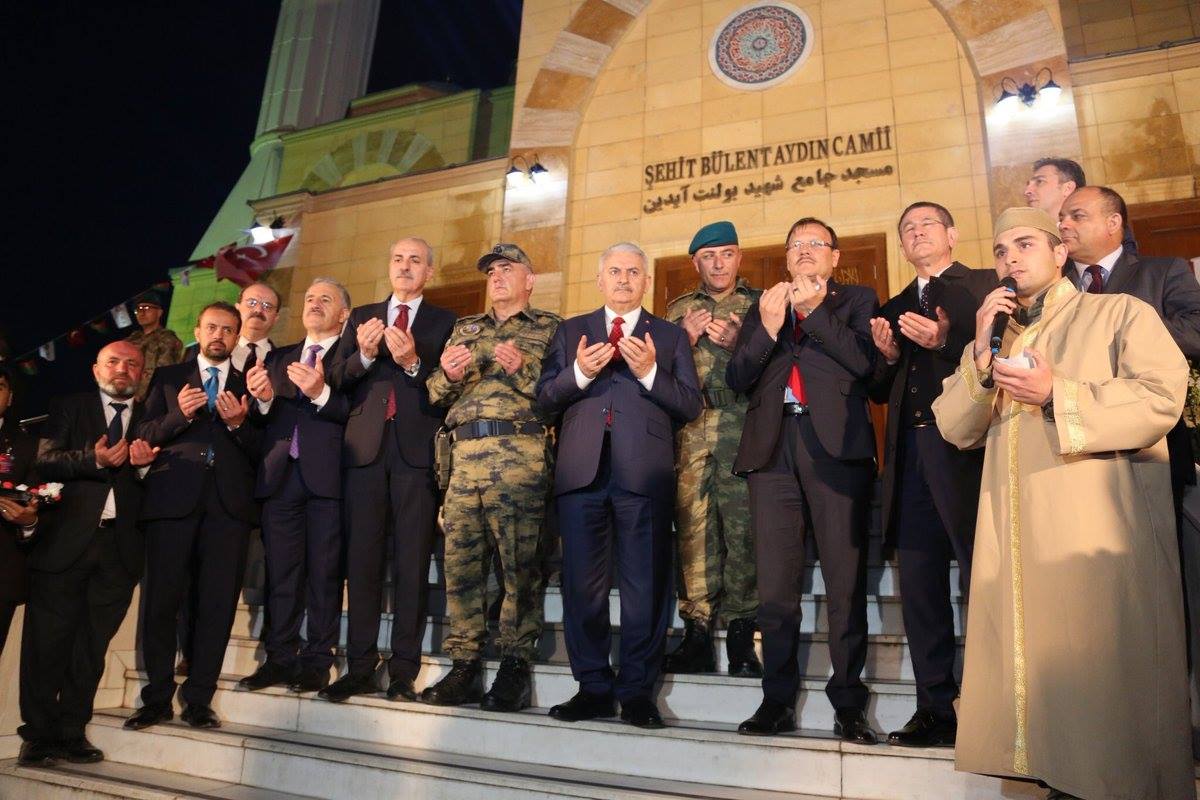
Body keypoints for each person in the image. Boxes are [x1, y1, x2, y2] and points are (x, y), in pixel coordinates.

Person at [933, 206, 1194, 800]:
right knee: (1036, 682)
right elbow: (954, 426)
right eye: (1001, 250)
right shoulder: (999, 339)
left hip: (1091, 529)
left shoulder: (1117, 312)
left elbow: (1161, 397)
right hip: (1017, 537)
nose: (1010, 258)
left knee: (1104, 687)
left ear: (1059, 252)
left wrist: (1058, 394)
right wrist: (980, 352)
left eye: (1025, 244)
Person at [726, 217, 880, 743]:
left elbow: (864, 363)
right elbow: (738, 377)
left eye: (816, 243)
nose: (805, 249)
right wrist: (769, 328)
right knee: (776, 586)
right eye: (796, 244)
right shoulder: (765, 305)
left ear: (835, 257)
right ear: (786, 257)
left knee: (844, 582)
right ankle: (776, 700)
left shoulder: (856, 300)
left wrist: (813, 312)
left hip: (834, 448)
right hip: (772, 451)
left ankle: (849, 702)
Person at [536, 241, 701, 729]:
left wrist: (649, 372)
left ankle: (636, 692)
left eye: (633, 271)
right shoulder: (571, 331)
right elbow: (543, 400)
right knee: (581, 588)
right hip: (581, 473)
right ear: (599, 279)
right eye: (615, 271)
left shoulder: (669, 336)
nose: (624, 279)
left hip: (643, 474)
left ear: (646, 281)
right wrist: (579, 373)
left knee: (644, 588)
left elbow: (690, 405)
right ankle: (592, 687)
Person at [867, 202, 995, 747]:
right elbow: (878, 390)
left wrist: (944, 344)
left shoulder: (984, 286)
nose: (916, 233)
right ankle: (935, 706)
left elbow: (1001, 356)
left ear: (952, 234)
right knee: (920, 585)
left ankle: (992, 705)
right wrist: (887, 356)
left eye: (926, 225)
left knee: (982, 577)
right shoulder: (894, 305)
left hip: (967, 450)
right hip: (910, 453)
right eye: (907, 229)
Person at [420, 244, 561, 712]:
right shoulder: (466, 329)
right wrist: (446, 374)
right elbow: (434, 394)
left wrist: (523, 369)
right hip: (463, 460)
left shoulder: (550, 328)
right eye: (492, 271)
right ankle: (464, 665)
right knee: (461, 568)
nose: (497, 276)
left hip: (519, 457)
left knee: (520, 566)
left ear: (529, 280)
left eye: (507, 269)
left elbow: (559, 393)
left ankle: (515, 665)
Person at [322, 237, 456, 703]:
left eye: (415, 260)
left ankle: (402, 670)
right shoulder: (363, 316)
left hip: (416, 455)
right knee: (362, 561)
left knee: (412, 564)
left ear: (429, 272)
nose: (405, 266)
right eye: (398, 258)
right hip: (365, 453)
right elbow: (335, 378)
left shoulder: (446, 321)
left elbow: (450, 387)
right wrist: (362, 354)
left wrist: (413, 363)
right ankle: (359, 666)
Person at [18, 342, 158, 767]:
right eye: (113, 362)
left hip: (120, 551)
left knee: (91, 648)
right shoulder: (70, 406)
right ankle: (38, 736)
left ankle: (72, 731)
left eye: (132, 364)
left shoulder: (152, 416)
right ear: (96, 368)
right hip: (65, 545)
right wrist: (92, 459)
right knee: (46, 644)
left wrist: (144, 467)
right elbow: (46, 460)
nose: (122, 369)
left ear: (142, 373)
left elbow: (164, 484)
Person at [126, 302, 261, 731]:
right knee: (161, 601)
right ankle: (156, 697)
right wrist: (178, 415)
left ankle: (200, 698)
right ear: (198, 332)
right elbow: (142, 435)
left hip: (228, 508)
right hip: (171, 502)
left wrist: (239, 424)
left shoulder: (251, 382)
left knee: (217, 605)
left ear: (237, 337)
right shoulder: (168, 378)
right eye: (211, 328)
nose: (219, 335)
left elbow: (265, 449)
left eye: (228, 329)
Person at [237, 278, 351, 694]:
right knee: (281, 573)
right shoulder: (278, 357)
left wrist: (320, 392)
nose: (314, 304)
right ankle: (279, 657)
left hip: (329, 478)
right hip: (281, 478)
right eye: (310, 298)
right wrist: (263, 399)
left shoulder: (354, 357)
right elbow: (262, 419)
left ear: (343, 314)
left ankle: (318, 659)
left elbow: (355, 413)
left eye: (326, 299)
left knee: (324, 573)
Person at [1058, 185, 1200, 512]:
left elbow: (1196, 331)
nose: (1064, 225)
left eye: (1077, 216)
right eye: (1062, 218)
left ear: (1113, 223)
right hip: (1074, 446)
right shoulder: (1057, 287)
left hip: (1151, 445)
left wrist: (1130, 325)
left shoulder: (1162, 271)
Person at [662, 220, 761, 676]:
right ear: (695, 263)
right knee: (693, 530)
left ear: (739, 257)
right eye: (708, 257)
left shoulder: (760, 304)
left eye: (726, 254)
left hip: (742, 425)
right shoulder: (677, 310)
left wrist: (744, 343)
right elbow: (654, 372)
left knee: (743, 530)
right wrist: (680, 339)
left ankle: (742, 632)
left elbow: (780, 364)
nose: (718, 264)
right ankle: (697, 631)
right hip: (691, 428)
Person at [178, 280, 280, 675]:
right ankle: (188, 651)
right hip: (190, 489)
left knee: (232, 578)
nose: (258, 309)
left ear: (276, 316)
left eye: (267, 305)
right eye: (252, 301)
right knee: (188, 578)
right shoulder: (196, 361)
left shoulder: (281, 361)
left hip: (246, 488)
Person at [0, 365, 39, 660]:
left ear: (10, 397)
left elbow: (39, 508)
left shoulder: (28, 447)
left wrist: (29, 522)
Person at [126, 290, 183, 401]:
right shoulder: (132, 339)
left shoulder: (167, 339)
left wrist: (137, 397)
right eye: (138, 310)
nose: (141, 313)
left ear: (159, 313)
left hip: (153, 398)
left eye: (146, 308)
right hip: (127, 396)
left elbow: (162, 372)